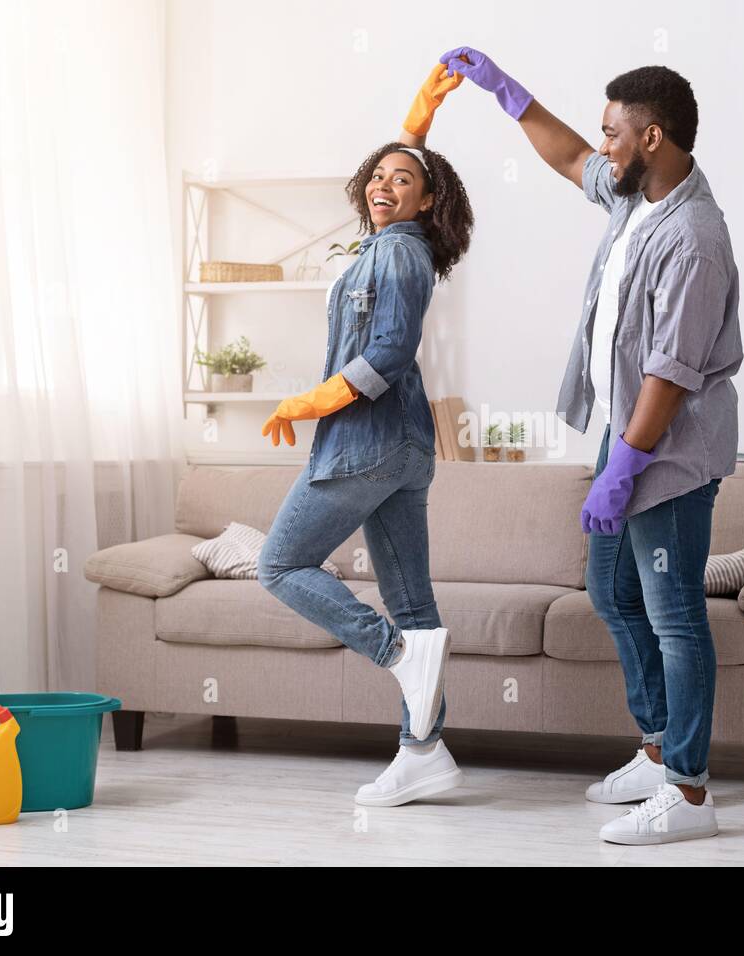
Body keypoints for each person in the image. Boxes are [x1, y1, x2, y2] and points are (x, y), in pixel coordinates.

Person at [441, 48, 742, 844]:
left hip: (666, 451)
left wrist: (625, 469)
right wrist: (506, 92)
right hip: (624, 434)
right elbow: (568, 154)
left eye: (615, 132)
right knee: (612, 595)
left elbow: (672, 375)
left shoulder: (695, 237)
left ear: (653, 136)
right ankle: (656, 745)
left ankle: (690, 792)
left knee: (676, 620)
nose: (601, 145)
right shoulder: (634, 195)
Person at [257, 65, 474, 808]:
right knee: (413, 602)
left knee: (280, 563)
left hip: (368, 444)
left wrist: (309, 401)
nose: (385, 184)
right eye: (376, 175)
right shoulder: (388, 243)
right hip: (406, 451)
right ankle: (425, 752)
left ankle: (392, 656)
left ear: (428, 199)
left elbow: (386, 353)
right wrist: (423, 109)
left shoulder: (397, 251)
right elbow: (403, 157)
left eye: (403, 179)